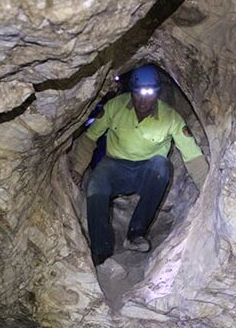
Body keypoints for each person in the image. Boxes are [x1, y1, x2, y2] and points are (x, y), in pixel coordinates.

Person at [69, 64, 209, 267]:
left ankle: (136, 234)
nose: (144, 100)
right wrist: (78, 168)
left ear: (157, 93)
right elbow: (90, 138)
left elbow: (192, 155)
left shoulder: (171, 117)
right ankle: (101, 249)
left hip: (147, 170)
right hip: (115, 166)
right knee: (95, 185)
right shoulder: (115, 107)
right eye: (138, 93)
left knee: (162, 165)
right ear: (131, 92)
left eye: (150, 93)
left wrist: (207, 187)